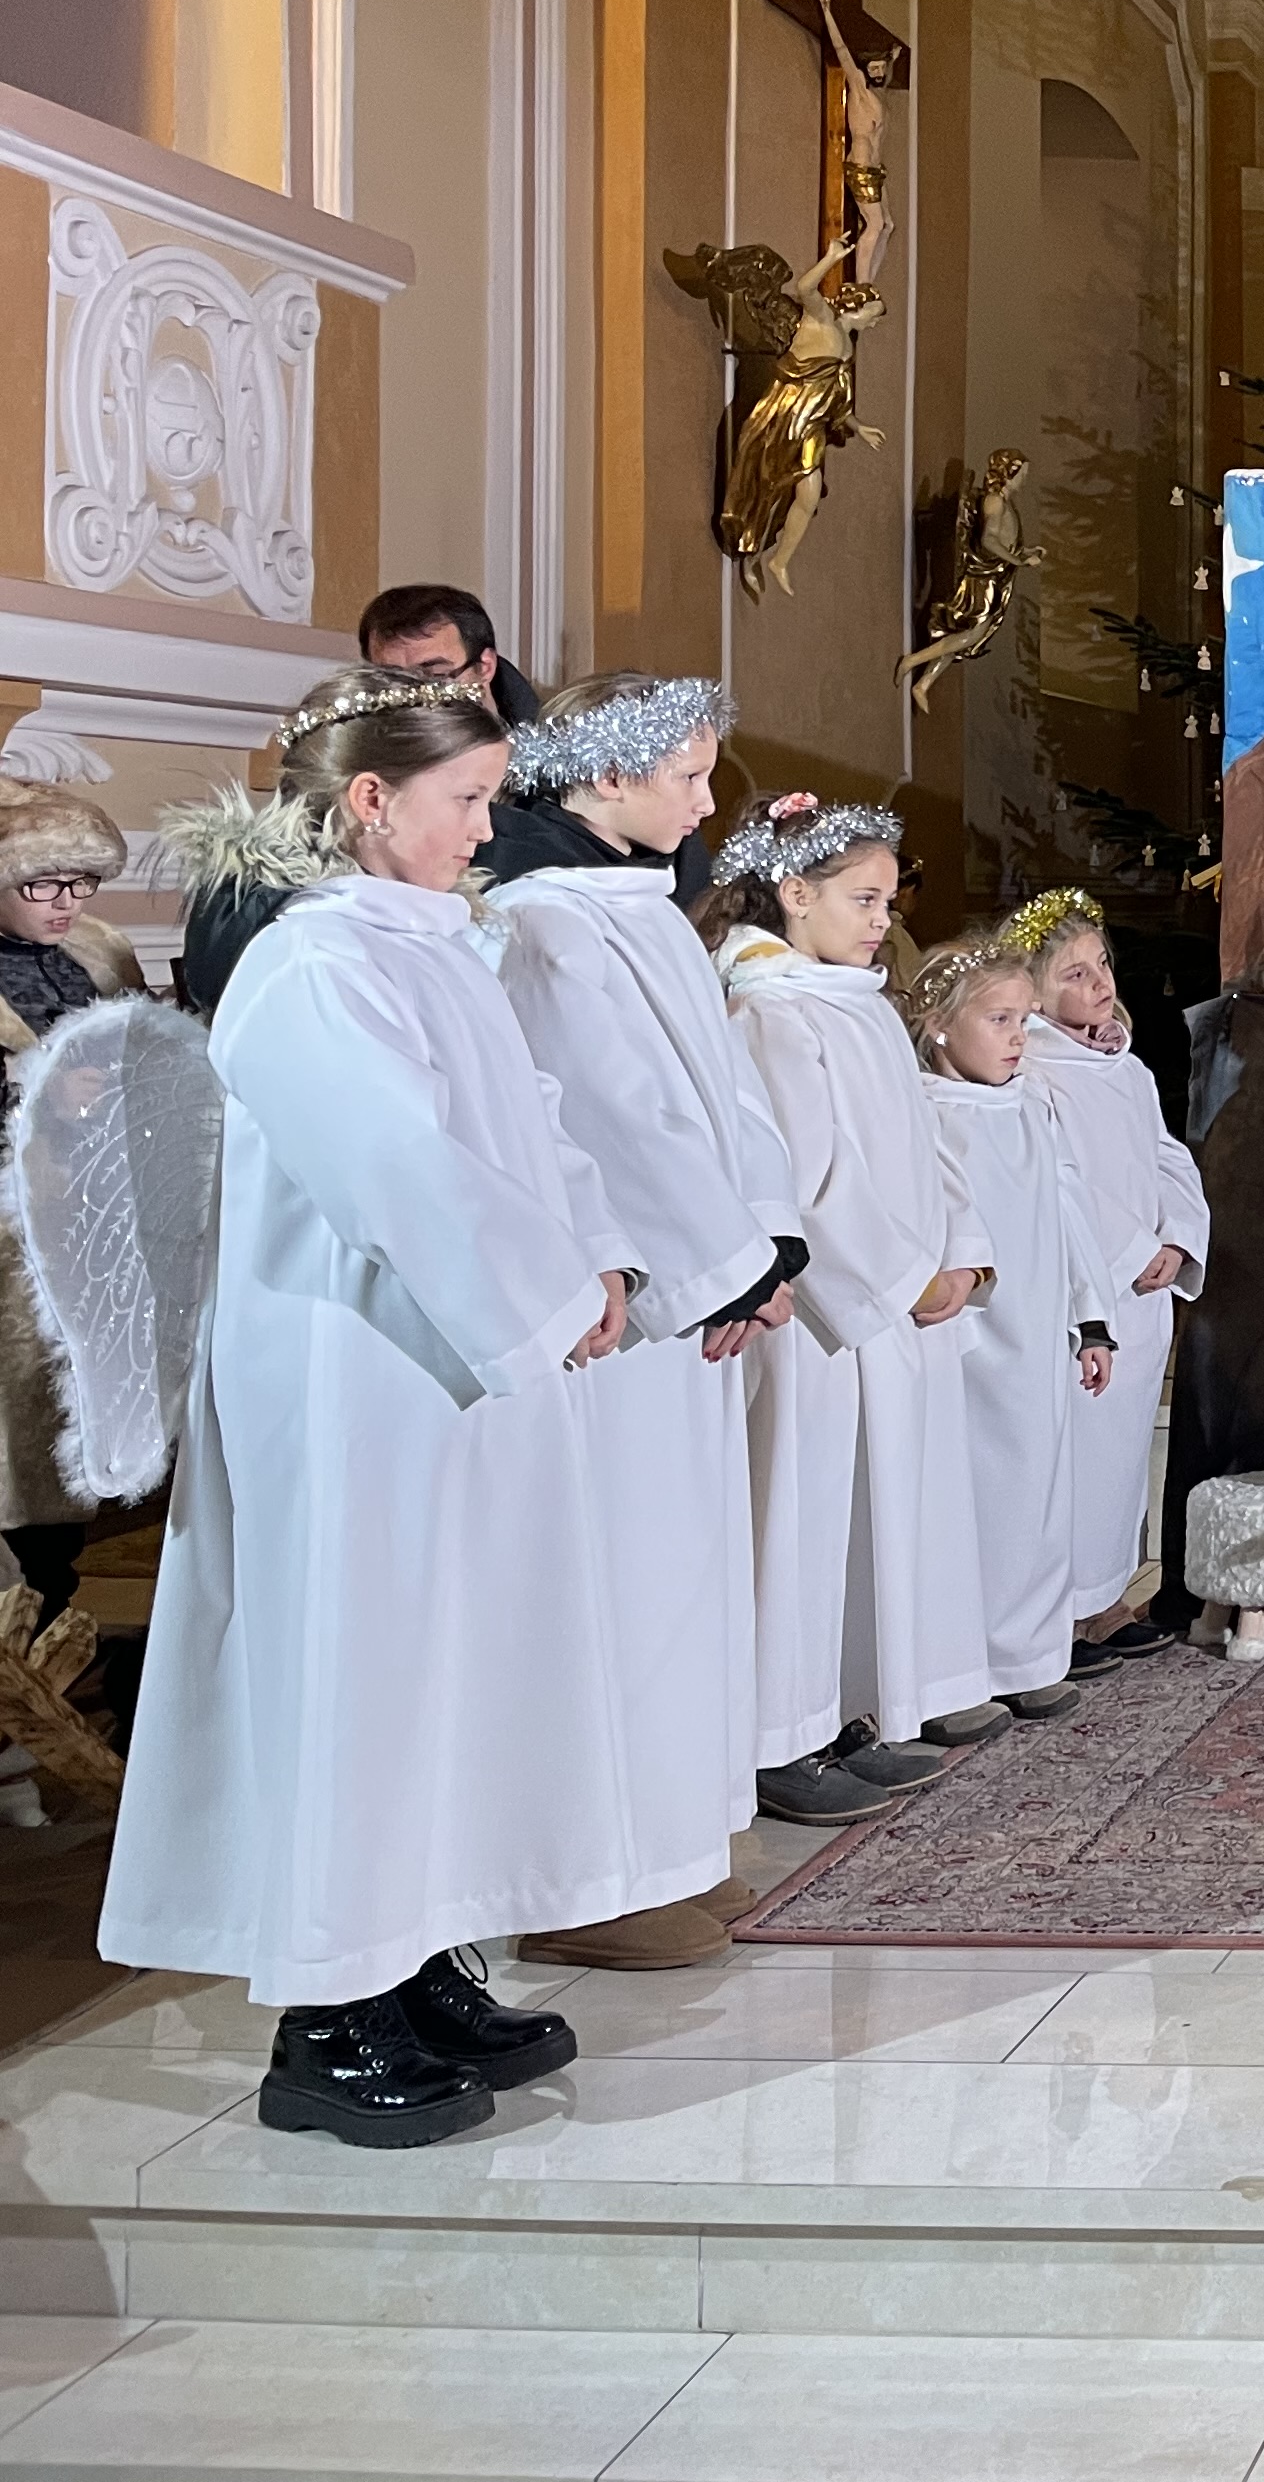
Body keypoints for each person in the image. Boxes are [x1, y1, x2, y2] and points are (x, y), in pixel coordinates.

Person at [99, 672, 628, 2148]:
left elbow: (531, 1127)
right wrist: (541, 1296)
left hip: (448, 1366)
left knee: (443, 1666)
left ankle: (416, 1957)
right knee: (359, 1666)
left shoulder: (435, 948)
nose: (489, 830)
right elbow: (399, 1167)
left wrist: (597, 1261)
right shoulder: (310, 963)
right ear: (370, 800)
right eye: (468, 801)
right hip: (348, 1375)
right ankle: (327, 2016)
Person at [482, 675, 806, 1955]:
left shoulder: (645, 910)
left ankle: (678, 1841)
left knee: (685, 1583)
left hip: (700, 1292)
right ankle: (587, 1882)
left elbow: (730, 1096)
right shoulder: (544, 921)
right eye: (688, 775)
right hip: (623, 1306)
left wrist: (770, 1243)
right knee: (616, 1585)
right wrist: (723, 1266)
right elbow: (612, 1115)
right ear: (607, 778)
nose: (709, 801)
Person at [704, 795, 996, 1820]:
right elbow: (802, 1179)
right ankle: (777, 1739)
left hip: (893, 1307)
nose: (883, 920)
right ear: (794, 893)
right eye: (863, 899)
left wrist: (962, 1255)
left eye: (886, 900)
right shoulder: (771, 1012)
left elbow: (925, 1143)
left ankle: (839, 1712)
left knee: (860, 1521)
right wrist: (905, 1276)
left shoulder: (856, 1002)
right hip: (825, 1317)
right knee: (797, 1513)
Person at [906, 939, 1116, 1720]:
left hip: (1037, 1334)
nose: (1019, 1038)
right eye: (999, 1020)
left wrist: (1092, 1317)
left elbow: (1067, 1208)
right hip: (965, 1338)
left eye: (1024, 1020)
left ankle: (1027, 1652)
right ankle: (955, 1669)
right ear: (939, 1024)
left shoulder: (1031, 1105)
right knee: (964, 1501)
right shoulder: (926, 1112)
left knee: (1036, 1496)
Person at [1001, 890, 1206, 1660]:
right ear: (1033, 991)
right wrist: (1126, 1254)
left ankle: (1107, 1599)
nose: (1100, 983)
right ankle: (1058, 1615)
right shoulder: (1033, 1072)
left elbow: (1166, 1157)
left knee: (1119, 1463)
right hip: (1085, 1293)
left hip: (1146, 1293)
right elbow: (1061, 1186)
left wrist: (1177, 1237)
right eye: (1075, 973)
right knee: (1073, 1460)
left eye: (1102, 965)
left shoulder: (1127, 1066)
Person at [0, 788, 154, 1608]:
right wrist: (37, 1092)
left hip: (96, 1217)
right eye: (43, 884)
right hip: (12, 1229)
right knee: (20, 1431)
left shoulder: (100, 950)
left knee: (76, 1417)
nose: (66, 903)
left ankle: (56, 1603)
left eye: (81, 882)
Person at [357, 583, 543, 725]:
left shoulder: (551, 751)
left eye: (435, 677)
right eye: (390, 680)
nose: (411, 701)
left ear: (485, 667)